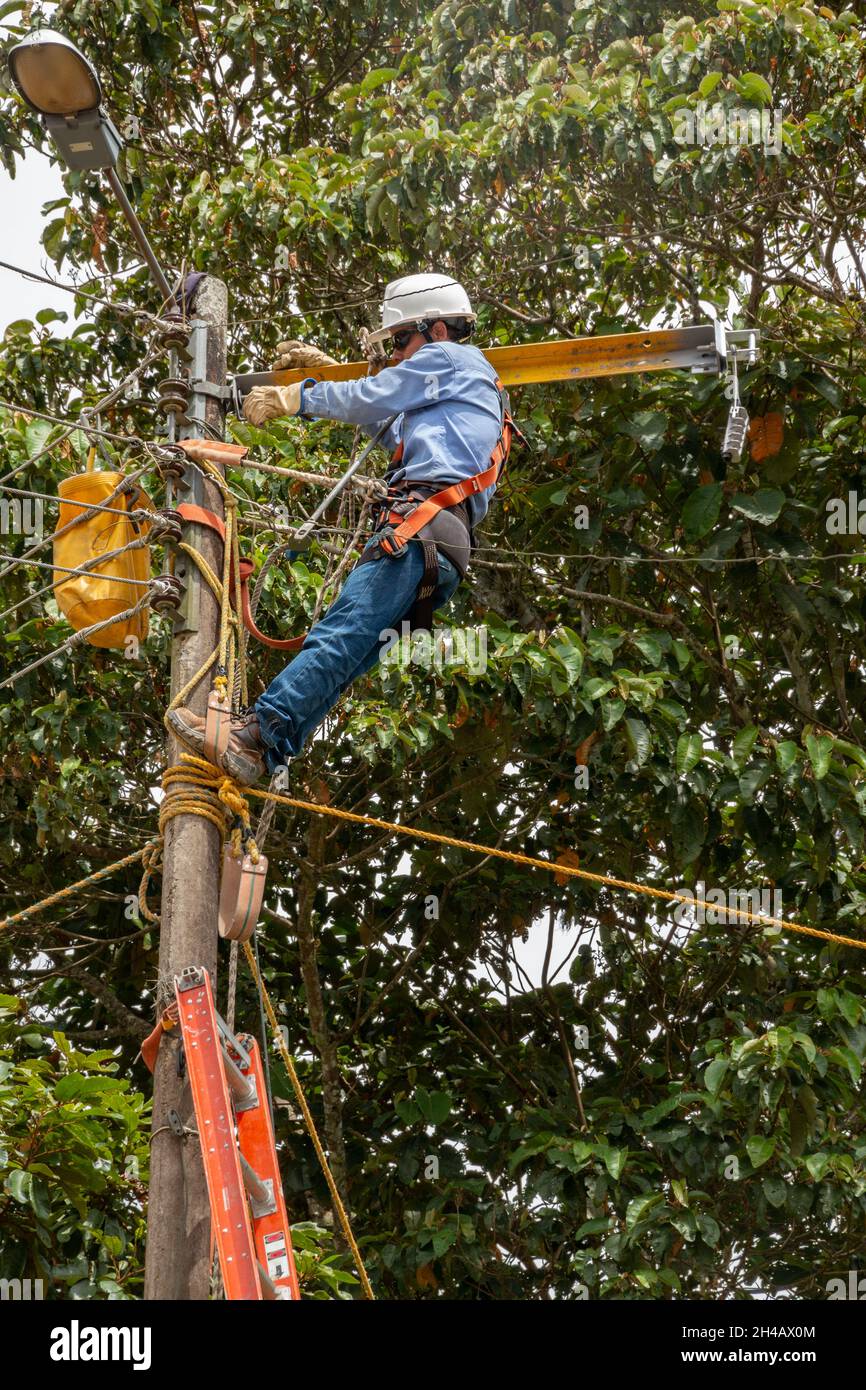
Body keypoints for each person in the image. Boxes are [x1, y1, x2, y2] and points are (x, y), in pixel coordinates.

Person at [168, 272, 512, 784]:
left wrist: (296, 398)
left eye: (401, 340)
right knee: (348, 654)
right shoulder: (475, 390)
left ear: (439, 330)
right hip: (446, 547)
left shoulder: (450, 358)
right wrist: (330, 377)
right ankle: (264, 751)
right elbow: (391, 426)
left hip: (419, 525)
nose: (398, 355)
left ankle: (253, 732)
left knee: (340, 634)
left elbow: (378, 394)